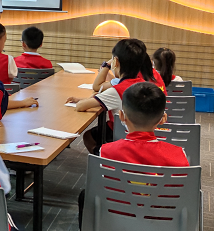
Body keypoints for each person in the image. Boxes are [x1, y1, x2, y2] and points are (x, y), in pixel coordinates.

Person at [77, 82, 189, 229]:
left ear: (121, 116)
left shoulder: (105, 152)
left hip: (114, 223)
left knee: (86, 194)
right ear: (163, 119)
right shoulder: (179, 156)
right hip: (163, 225)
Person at [66, 39, 162, 154]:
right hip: (146, 134)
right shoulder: (143, 85)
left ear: (115, 62)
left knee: (88, 136)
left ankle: (103, 158)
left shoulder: (117, 90)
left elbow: (80, 107)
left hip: (124, 134)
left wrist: (88, 98)